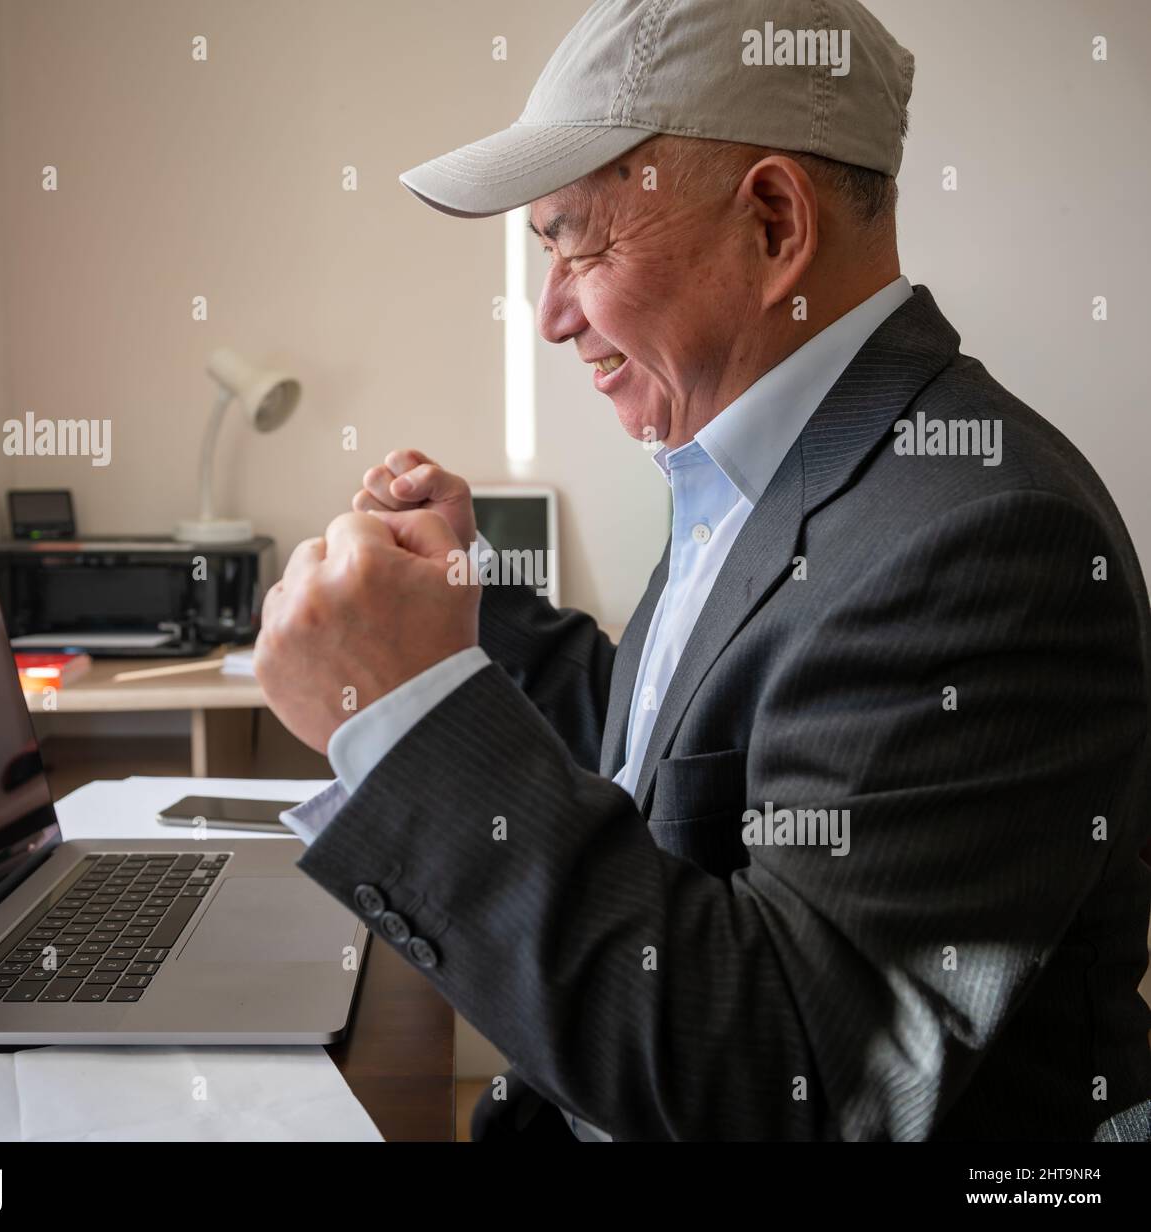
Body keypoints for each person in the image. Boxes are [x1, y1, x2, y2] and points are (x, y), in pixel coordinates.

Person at [252, 0, 1151, 1140]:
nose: (551, 316)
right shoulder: (767, 455)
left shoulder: (982, 540)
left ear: (774, 222)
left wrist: (402, 714)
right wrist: (464, 617)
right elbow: (676, 759)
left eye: (578, 238)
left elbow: (797, 1076)